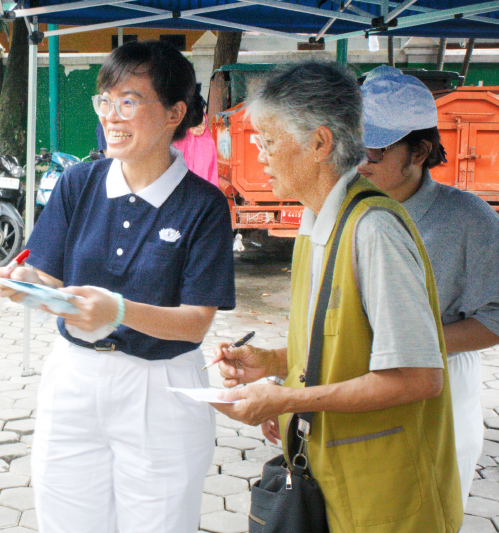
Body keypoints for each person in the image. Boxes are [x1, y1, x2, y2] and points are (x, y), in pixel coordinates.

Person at [0, 40, 236, 533]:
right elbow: (48, 274)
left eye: (128, 101)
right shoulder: (77, 182)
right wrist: (26, 282)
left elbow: (194, 324)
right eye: (104, 101)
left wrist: (118, 311)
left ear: (175, 113)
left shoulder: (203, 205)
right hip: (74, 379)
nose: (110, 116)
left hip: (161, 389)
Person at [211, 61, 463, 533]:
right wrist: (273, 363)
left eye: (269, 141)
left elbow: (418, 377)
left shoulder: (374, 230)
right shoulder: (316, 222)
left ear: (320, 143)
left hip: (386, 495)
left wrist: (287, 400)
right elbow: (344, 344)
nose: (260, 155)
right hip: (332, 482)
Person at [359, 65, 499, 508]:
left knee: (428, 507)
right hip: (353, 374)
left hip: (440, 380)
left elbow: (495, 319)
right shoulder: (343, 208)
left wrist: (411, 345)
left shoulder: (468, 219)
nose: (359, 164)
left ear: (419, 151)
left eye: (374, 153)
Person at [172, 85, 219, 187]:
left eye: (202, 123)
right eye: (195, 124)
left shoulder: (208, 144)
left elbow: (211, 176)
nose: (199, 127)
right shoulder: (179, 143)